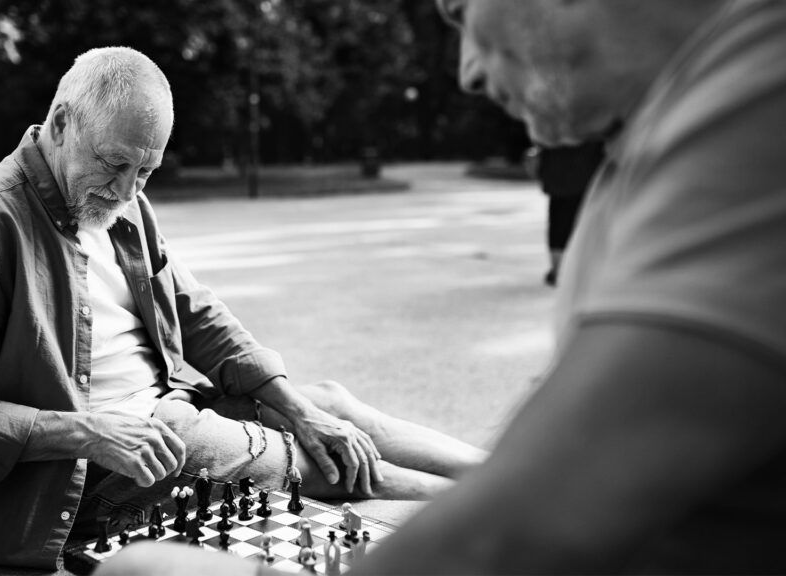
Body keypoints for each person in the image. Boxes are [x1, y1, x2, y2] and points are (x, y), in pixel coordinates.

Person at [100, 0, 786, 573]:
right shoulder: (668, 121)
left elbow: (532, 522)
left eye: (460, 14)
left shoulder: (761, 95)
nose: (467, 74)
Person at [0, 47, 483, 569]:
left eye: (146, 171)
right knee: (318, 459)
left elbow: (195, 313)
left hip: (166, 411)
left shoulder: (125, 204)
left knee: (325, 405)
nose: (126, 190)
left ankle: (499, 470)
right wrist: (87, 432)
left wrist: (296, 408)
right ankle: (505, 506)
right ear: (61, 124)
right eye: (115, 163)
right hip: (72, 474)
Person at [528, 142, 605, 286]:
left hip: (558, 176)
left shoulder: (555, 122)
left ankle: (557, 270)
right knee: (580, 224)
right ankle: (576, 270)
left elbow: (541, 138)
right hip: (586, 177)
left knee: (557, 224)